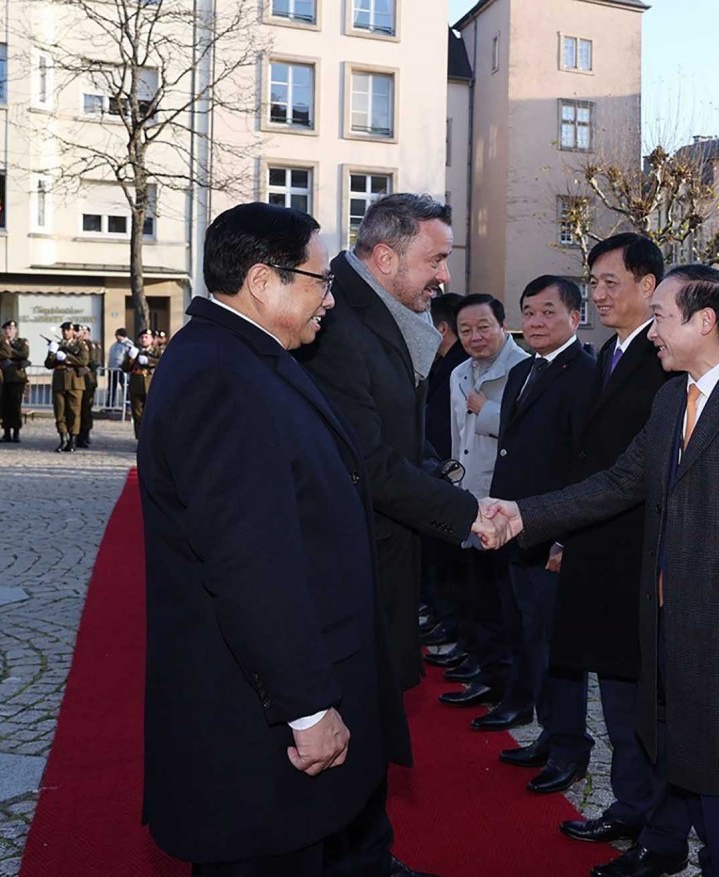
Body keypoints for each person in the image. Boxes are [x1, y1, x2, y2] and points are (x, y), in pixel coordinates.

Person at [481, 265, 719, 877]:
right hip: (660, 627)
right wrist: (524, 515)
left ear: (704, 321)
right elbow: (616, 484)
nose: (651, 331)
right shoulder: (669, 399)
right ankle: (661, 847)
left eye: (660, 316)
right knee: (666, 754)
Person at [137, 201, 419, 876]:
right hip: (253, 724)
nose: (331, 297)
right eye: (320, 280)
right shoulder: (219, 375)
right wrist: (308, 707)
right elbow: (249, 562)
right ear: (264, 282)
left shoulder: (249, 354)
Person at [520, 233, 676, 850]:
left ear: (648, 285)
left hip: (638, 554)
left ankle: (656, 821)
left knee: (642, 701)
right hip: (597, 549)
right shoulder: (608, 352)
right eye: (595, 281)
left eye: (612, 281)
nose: (600, 293)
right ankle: (630, 803)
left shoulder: (664, 361)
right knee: (615, 695)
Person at [295, 193, 481, 696]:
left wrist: (443, 478)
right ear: (385, 258)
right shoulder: (333, 323)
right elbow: (364, 459)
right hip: (353, 566)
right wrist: (468, 514)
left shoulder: (386, 312)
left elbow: (401, 433)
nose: (445, 278)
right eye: (436, 260)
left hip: (387, 548)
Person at [480, 276, 597, 792]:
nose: (535, 321)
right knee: (531, 637)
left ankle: (571, 746)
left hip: (553, 534)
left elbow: (584, 465)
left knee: (562, 648)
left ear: (576, 317)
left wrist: (565, 537)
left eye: (549, 312)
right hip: (516, 531)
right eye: (528, 312)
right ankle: (551, 732)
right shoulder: (524, 369)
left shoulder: (586, 375)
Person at [440, 294, 528, 708]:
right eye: (465, 330)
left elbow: (527, 434)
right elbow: (460, 438)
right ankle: (489, 674)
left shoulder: (524, 370)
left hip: (506, 506)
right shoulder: (459, 372)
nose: (475, 337)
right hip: (468, 500)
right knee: (478, 597)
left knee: (508, 605)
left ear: (503, 325)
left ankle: (515, 691)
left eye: (483, 327)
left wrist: (487, 410)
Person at [420, 291, 469, 652]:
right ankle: (445, 620)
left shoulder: (459, 366)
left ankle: (454, 626)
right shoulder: (441, 364)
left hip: (455, 476)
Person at [43, 321, 89, 452]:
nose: (65, 332)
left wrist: (67, 357)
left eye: (68, 330)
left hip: (75, 381)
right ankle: (63, 438)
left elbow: (84, 361)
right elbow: (48, 364)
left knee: (74, 412)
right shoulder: (58, 345)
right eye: (63, 330)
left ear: (74, 332)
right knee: (60, 412)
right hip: (59, 381)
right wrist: (52, 352)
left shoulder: (80, 345)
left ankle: (73, 440)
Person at [123, 328, 161, 439]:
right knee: (138, 415)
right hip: (136, 386)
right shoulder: (134, 351)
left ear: (152, 339)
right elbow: (125, 368)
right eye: (142, 337)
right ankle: (140, 440)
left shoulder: (157, 352)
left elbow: (163, 363)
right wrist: (131, 358)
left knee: (150, 415)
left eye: (146, 337)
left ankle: (151, 440)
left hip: (151, 386)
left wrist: (149, 361)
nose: (144, 339)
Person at [0, 321, 28, 443]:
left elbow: (24, 354)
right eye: (6, 329)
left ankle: (16, 432)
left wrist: (8, 351)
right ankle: (6, 432)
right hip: (3, 377)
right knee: (4, 406)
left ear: (15, 330)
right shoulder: (0, 342)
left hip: (17, 377)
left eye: (11, 328)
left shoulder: (21, 342)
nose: (8, 331)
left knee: (15, 406)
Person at [76, 324, 103, 448]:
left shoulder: (93, 345)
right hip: (76, 380)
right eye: (81, 331)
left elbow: (94, 362)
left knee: (86, 409)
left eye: (85, 331)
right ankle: (75, 434)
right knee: (76, 409)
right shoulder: (74, 345)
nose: (83, 333)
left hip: (88, 381)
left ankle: (85, 433)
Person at [107, 328, 131, 410]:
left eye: (117, 335)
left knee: (125, 388)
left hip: (122, 370)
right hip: (113, 370)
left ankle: (127, 406)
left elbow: (129, 357)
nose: (116, 337)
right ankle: (110, 405)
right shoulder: (114, 345)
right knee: (111, 388)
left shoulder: (128, 344)